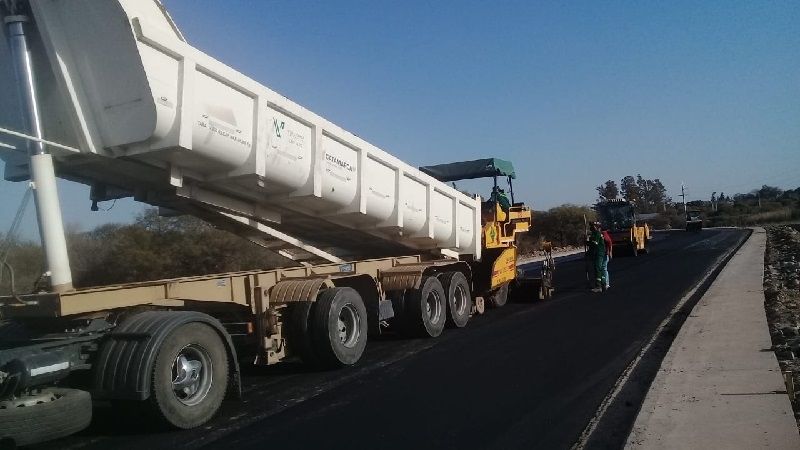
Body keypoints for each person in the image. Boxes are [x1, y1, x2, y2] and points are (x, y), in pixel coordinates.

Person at [587, 222, 607, 292]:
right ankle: (603, 284)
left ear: (596, 227)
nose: (591, 227)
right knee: (600, 268)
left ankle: (599, 286)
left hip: (599, 253)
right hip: (598, 253)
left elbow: (595, 243)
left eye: (593, 226)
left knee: (598, 268)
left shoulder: (597, 233)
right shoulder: (594, 234)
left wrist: (587, 242)